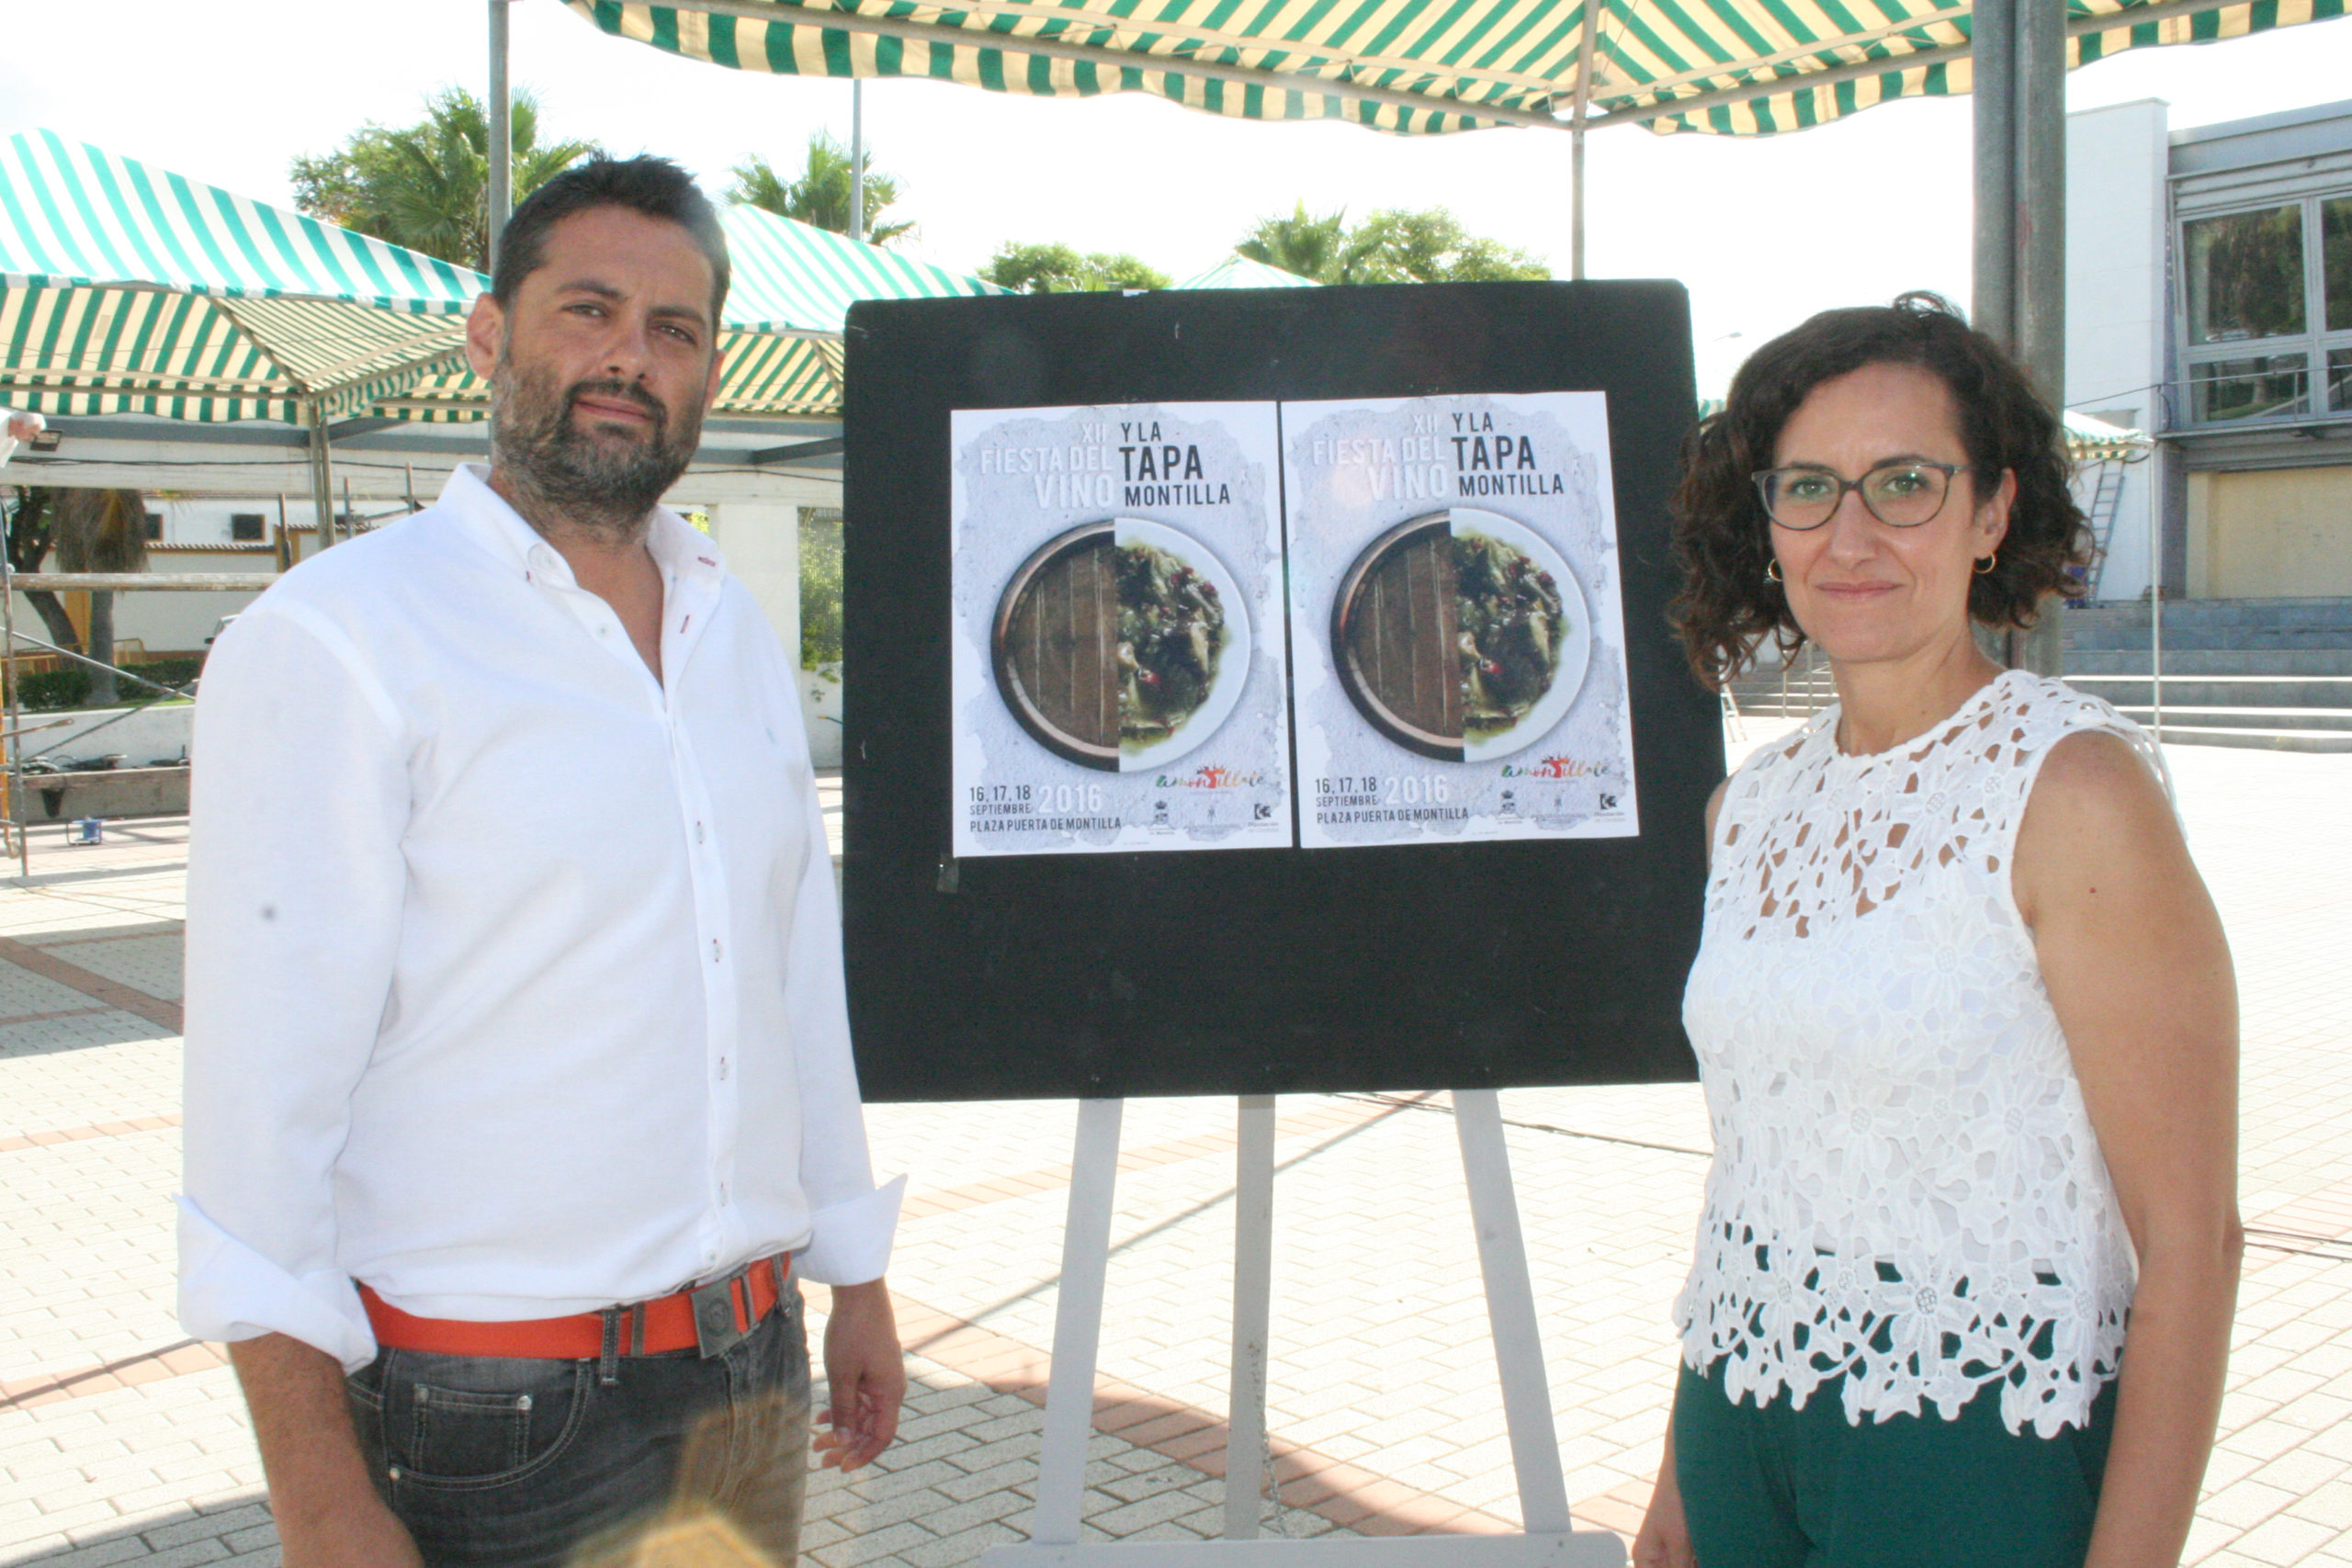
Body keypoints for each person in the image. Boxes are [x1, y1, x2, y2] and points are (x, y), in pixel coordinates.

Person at [177, 156, 906, 1568]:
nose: (631, 357)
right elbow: (257, 1125)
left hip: (751, 1380)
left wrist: (853, 1271)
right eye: (589, 310)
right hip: (496, 1419)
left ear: (707, 374)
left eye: (676, 330)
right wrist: (318, 1499)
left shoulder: (728, 628)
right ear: (488, 336)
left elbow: (789, 981)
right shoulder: (339, 642)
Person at [1635, 294, 2240, 1568]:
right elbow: (1761, 1158)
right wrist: (1677, 1480)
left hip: (1973, 1449)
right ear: (1768, 522)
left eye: (1904, 482)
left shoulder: (2073, 790)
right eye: (1809, 486)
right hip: (1738, 1419)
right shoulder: (1745, 811)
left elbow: (2192, 1238)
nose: (1850, 534)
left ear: (1992, 511)